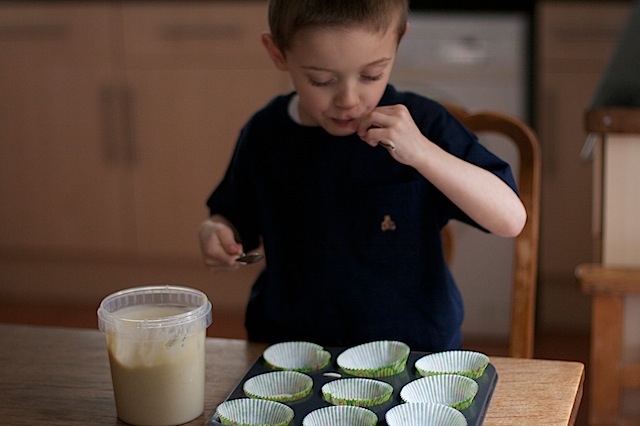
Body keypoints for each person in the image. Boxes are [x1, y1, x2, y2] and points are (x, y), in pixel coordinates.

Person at [198, 0, 526, 352]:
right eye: (321, 80)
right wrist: (217, 232)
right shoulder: (265, 134)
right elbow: (233, 218)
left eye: (371, 76)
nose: (349, 100)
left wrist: (423, 154)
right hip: (290, 350)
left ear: (398, 42)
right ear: (278, 54)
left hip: (412, 353)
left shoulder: (424, 126)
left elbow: (510, 219)